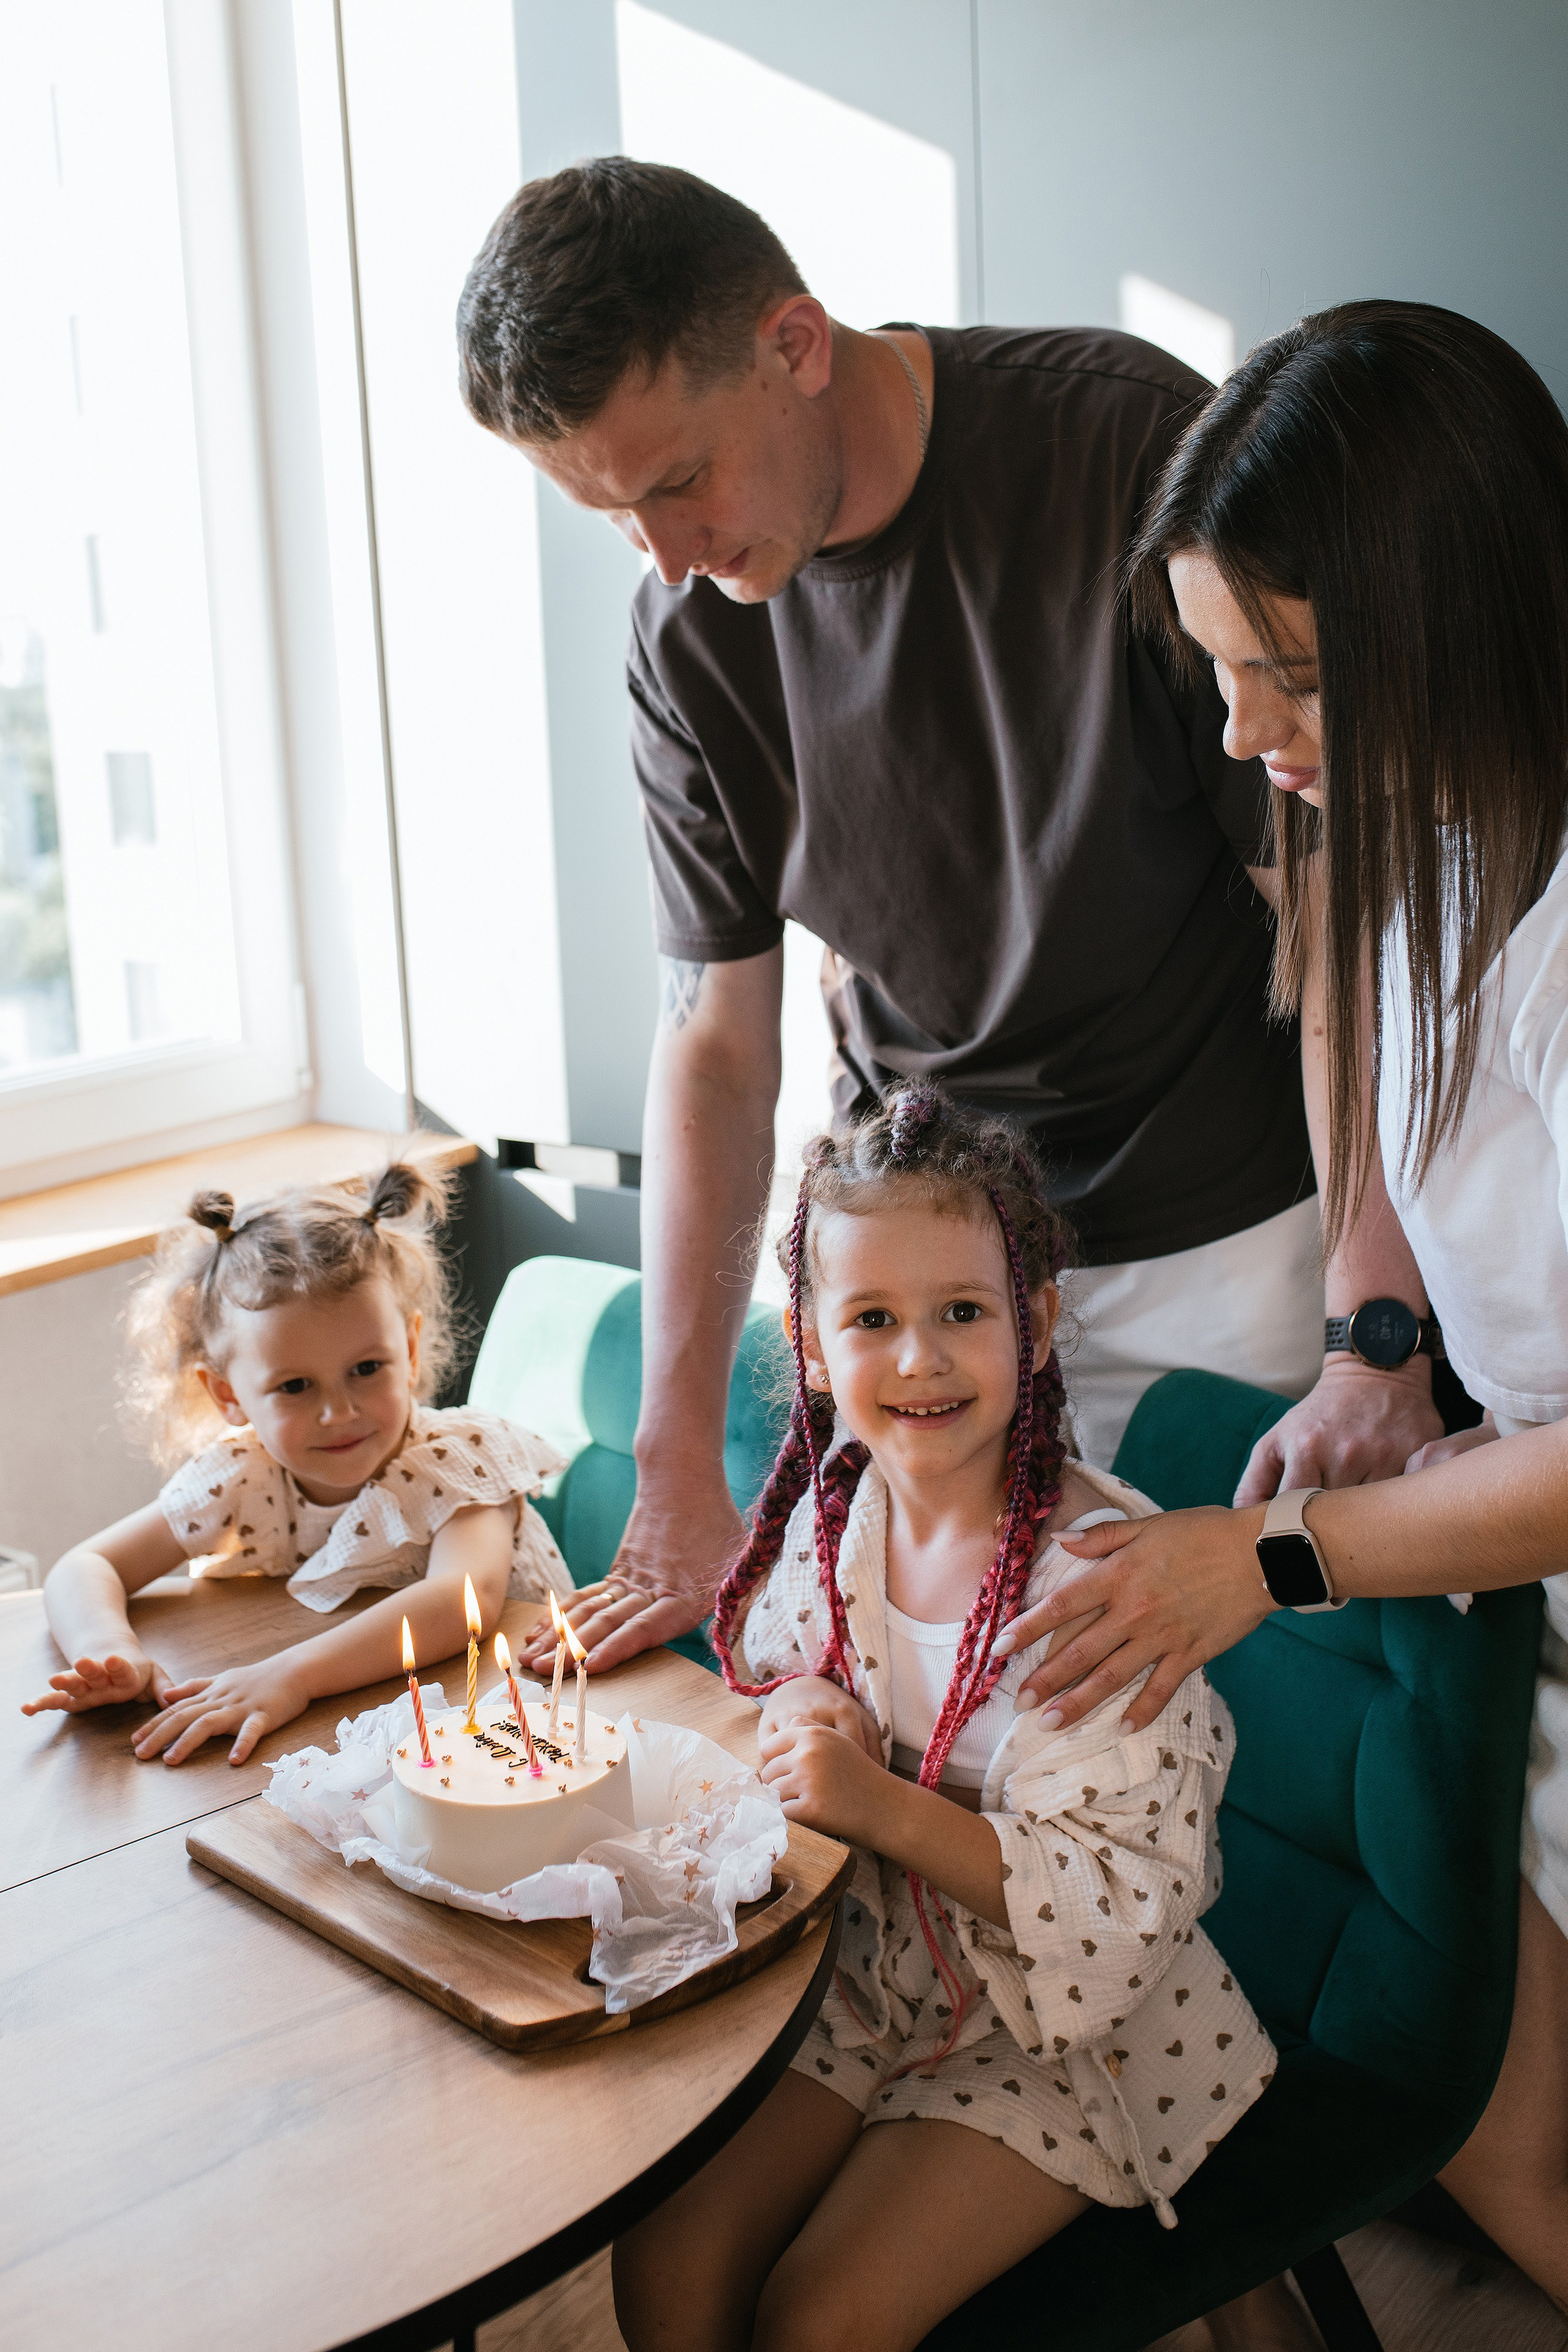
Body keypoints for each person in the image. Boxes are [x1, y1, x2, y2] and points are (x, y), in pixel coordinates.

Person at [454, 159, 1435, 1684]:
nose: (660, 556)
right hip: (922, 1267)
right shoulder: (682, 630)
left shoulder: (1118, 446)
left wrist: (1369, 1320)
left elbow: (1325, 921)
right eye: (603, 514)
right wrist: (673, 1461)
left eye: (672, 482)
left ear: (793, 344)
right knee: (935, 1727)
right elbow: (713, 1045)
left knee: (1213, 1753)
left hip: (1211, 1238)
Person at [990, 301, 1568, 2310]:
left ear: (1461, 615)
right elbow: (1366, 1046)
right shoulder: (1401, 806)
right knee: (1501, 2094)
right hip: (1501, 1495)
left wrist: (1285, 1560)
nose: (1244, 736)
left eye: (1286, 674)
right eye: (1221, 672)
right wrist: (1376, 1332)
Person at [611, 1084, 1286, 2352]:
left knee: (819, 2323)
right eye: (871, 1318)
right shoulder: (835, 1512)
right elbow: (776, 1669)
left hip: (1068, 2037)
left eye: (960, 1313)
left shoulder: (1097, 1584)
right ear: (810, 1343)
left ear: (1030, 1324)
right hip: (866, 1977)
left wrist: (877, 1805)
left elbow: (1114, 1910)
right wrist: (811, 1699)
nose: (917, 1358)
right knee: (668, 2264)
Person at [20, 1163, 573, 1764]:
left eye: (367, 1369)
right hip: (377, 1725)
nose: (339, 1411)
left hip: (529, 1719)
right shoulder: (239, 1476)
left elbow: (459, 1604)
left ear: (408, 1352)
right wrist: (111, 1652)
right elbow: (86, 1565)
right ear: (228, 1395)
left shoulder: (459, 1459)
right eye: (294, 1386)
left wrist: (290, 1677)